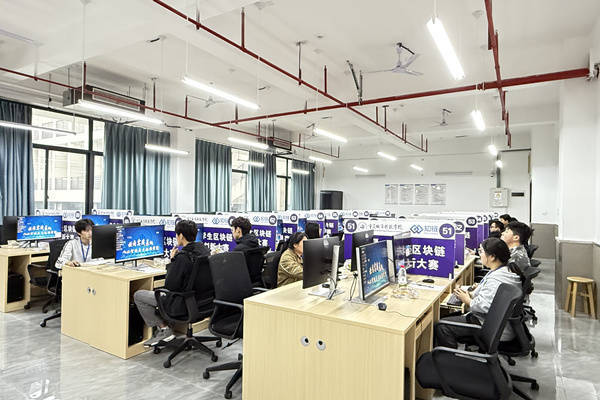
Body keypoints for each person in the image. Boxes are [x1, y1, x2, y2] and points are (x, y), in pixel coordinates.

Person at [434, 238, 522, 348]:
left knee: (442, 326)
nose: (479, 254)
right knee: (447, 318)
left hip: (489, 329)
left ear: (492, 256)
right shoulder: (502, 271)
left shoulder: (496, 279)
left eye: (481, 251)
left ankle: (448, 356)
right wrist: (471, 293)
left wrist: (467, 300)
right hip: (494, 324)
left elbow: (484, 306)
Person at [134, 220, 210, 347]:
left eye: (176, 235)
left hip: (181, 303)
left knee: (138, 295)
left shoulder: (183, 257)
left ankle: (164, 329)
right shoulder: (205, 251)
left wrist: (172, 260)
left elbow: (170, 286)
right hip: (201, 302)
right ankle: (168, 326)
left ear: (181, 236)